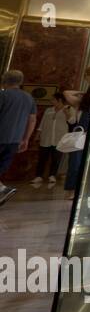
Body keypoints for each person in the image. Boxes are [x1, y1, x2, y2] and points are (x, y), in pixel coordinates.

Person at [0, 70, 38, 208]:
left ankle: (3, 189)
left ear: (4, 80)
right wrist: (26, 139)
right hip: (15, 139)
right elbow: (32, 119)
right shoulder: (29, 98)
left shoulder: (3, 95)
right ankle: (2, 189)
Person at [32, 90, 70, 188]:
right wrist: (37, 134)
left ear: (59, 100)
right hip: (46, 138)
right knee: (42, 158)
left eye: (53, 99)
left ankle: (52, 175)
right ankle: (38, 176)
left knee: (56, 159)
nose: (51, 101)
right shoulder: (48, 110)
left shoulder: (68, 109)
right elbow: (42, 124)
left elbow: (71, 122)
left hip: (59, 139)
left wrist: (67, 113)